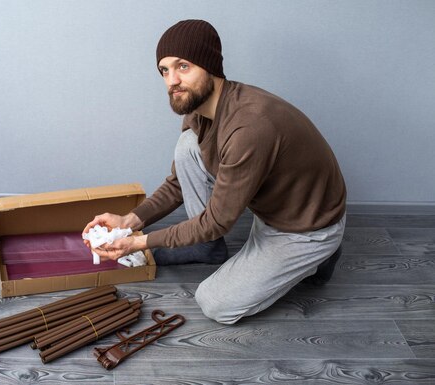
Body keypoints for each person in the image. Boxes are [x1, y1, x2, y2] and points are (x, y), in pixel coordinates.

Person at [83, 19, 347, 324]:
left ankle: (319, 257)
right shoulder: (198, 110)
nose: (172, 81)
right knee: (187, 146)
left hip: (305, 227)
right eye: (164, 70)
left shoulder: (249, 126)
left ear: (210, 66)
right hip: (270, 203)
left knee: (214, 304)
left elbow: (217, 222)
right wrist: (128, 223)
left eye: (183, 66)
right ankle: (206, 248)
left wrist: (140, 242)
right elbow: (177, 184)